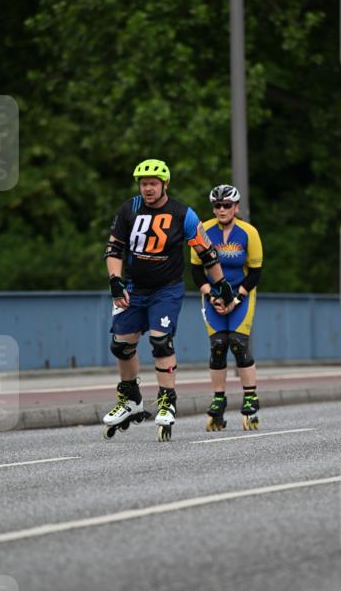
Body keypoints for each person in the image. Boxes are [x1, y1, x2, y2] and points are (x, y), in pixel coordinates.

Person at [102, 159, 239, 441]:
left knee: (160, 340)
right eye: (143, 183)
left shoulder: (182, 214)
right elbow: (114, 248)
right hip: (134, 287)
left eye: (153, 183)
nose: (148, 188)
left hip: (166, 289)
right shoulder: (129, 209)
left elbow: (207, 253)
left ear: (165, 184)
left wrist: (222, 284)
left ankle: (167, 399)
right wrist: (115, 282)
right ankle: (130, 398)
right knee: (120, 345)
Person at [190, 184, 264, 431]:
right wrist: (211, 295)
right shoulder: (203, 230)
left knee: (238, 343)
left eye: (226, 205)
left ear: (236, 207)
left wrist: (236, 299)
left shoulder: (248, 232)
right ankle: (219, 400)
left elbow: (255, 273)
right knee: (218, 345)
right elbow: (195, 270)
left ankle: (250, 397)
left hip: (241, 295)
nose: (221, 209)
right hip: (214, 298)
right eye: (217, 205)